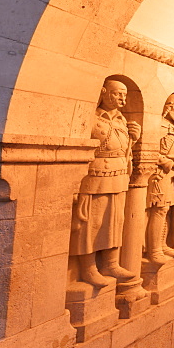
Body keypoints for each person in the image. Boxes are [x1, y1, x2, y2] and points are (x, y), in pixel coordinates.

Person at [71, 79, 141, 287]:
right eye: (118, 94)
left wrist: (133, 141)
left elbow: (123, 151)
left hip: (119, 176)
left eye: (124, 95)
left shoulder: (121, 120)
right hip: (96, 176)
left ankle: (110, 263)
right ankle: (88, 268)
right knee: (91, 223)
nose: (122, 99)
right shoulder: (90, 117)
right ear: (103, 92)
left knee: (115, 221)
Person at [145, 94, 174, 264]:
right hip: (161, 175)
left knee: (170, 209)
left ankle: (163, 244)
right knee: (159, 210)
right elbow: (149, 153)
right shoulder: (159, 126)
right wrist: (170, 162)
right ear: (169, 106)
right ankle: (154, 249)